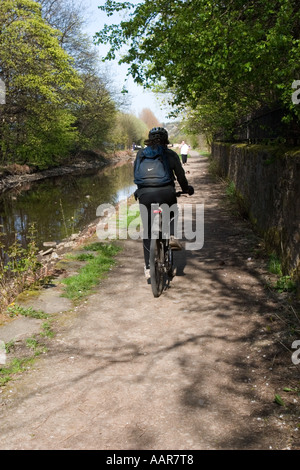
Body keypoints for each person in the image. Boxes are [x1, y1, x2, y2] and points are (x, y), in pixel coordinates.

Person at [134, 127, 194, 280]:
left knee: (147, 231)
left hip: (145, 195)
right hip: (166, 192)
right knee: (172, 211)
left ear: (149, 138)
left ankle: (148, 267)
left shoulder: (141, 154)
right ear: (166, 139)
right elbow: (180, 176)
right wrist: (186, 189)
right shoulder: (171, 154)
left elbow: (136, 174)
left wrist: (140, 190)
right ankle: (172, 234)